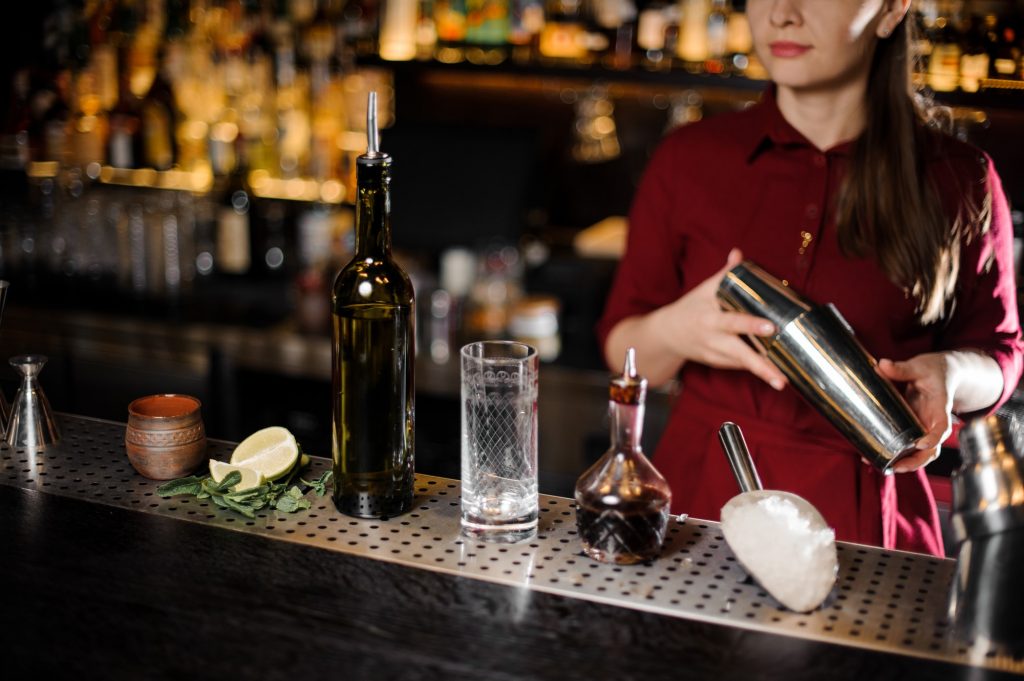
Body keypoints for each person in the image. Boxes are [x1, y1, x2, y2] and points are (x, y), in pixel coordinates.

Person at [597, 0, 1023, 556]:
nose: (783, 13)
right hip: (701, 507)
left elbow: (1001, 356)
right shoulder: (690, 159)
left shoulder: (959, 178)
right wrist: (679, 331)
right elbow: (622, 350)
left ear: (894, 10)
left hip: (866, 519)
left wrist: (951, 372)